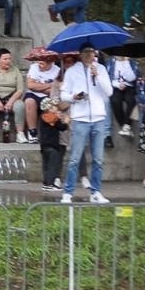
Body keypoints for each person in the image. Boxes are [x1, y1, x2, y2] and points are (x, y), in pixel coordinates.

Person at [59, 45, 114, 204]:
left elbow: (109, 92)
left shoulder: (101, 69)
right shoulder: (72, 71)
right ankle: (68, 192)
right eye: (86, 52)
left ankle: (95, 192)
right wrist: (74, 97)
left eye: (92, 52)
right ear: (80, 54)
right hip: (81, 118)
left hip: (98, 117)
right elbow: (64, 94)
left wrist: (98, 76)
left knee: (98, 159)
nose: (89, 55)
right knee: (75, 158)